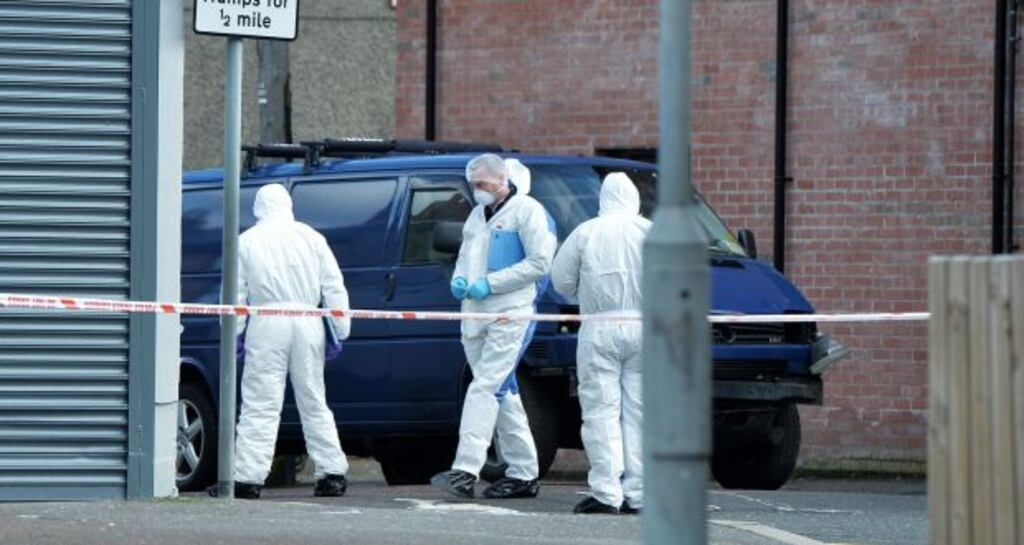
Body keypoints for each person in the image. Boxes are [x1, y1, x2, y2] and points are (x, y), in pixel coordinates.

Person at [212, 183, 352, 500]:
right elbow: (334, 286)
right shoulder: (312, 238)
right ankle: (332, 472)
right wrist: (340, 328)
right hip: (308, 321)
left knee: (260, 403)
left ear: (258, 208)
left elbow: (234, 293)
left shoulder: (247, 241)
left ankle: (247, 478)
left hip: (267, 323)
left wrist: (232, 332)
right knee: (314, 400)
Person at [431, 154, 556, 499]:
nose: (477, 191)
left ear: (503, 180)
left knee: (484, 388)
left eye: (482, 184)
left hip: (510, 313)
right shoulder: (477, 215)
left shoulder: (527, 211)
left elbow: (539, 263)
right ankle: (524, 473)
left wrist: (492, 283)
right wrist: (459, 280)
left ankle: (465, 470)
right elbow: (464, 256)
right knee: (504, 394)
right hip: (475, 315)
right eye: (473, 185)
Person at [550, 172, 650, 515]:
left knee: (600, 411)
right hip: (646, 327)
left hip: (600, 327)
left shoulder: (587, 231)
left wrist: (586, 292)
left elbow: (561, 281)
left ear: (602, 199)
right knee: (640, 412)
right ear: (635, 198)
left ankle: (607, 492)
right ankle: (640, 494)